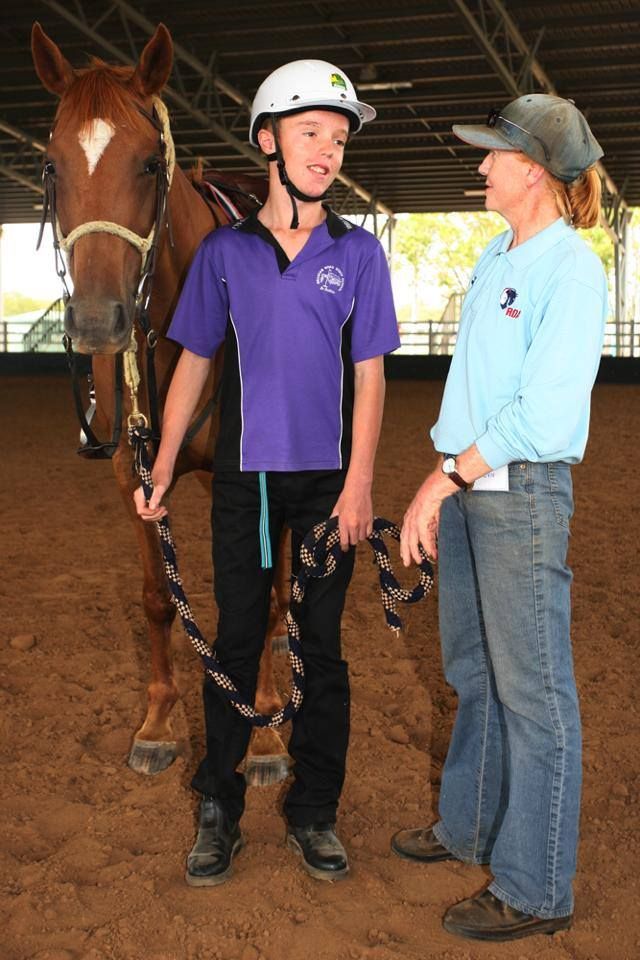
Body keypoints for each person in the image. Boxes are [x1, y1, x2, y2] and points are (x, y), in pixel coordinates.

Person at [135, 59, 400, 885]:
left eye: (340, 138)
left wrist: (359, 485)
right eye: (312, 132)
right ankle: (219, 810)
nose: (328, 151)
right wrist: (167, 465)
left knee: (321, 651)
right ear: (269, 141)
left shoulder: (359, 255)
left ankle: (315, 812)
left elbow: (370, 377)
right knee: (236, 645)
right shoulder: (224, 254)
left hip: (327, 486)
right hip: (244, 485)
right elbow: (191, 365)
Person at [390, 94, 607, 941]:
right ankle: (469, 825)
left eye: (492, 155)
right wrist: (447, 475)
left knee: (534, 693)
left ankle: (535, 885)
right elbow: (476, 392)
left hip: (518, 493)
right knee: (474, 673)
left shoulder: (571, 268)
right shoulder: (498, 253)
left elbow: (546, 418)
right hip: (475, 485)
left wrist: (443, 481)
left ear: (534, 173)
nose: (479, 166)